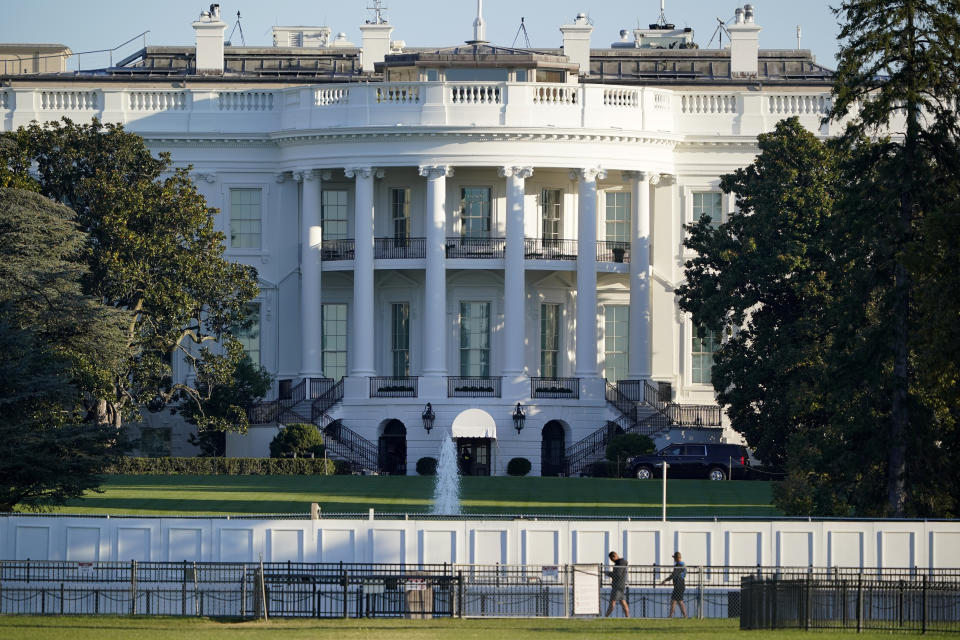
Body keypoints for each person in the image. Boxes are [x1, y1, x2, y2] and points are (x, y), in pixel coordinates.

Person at [661, 551, 688, 618]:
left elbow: (673, 575)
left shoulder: (679, 565)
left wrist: (665, 580)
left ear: (676, 558)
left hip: (678, 585)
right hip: (681, 585)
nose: (674, 560)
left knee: (674, 601)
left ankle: (671, 616)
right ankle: (685, 616)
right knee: (679, 601)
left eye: (674, 558)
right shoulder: (683, 565)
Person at [605, 551, 630, 617]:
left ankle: (605, 617)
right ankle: (628, 618)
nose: (612, 561)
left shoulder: (620, 563)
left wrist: (608, 573)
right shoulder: (621, 562)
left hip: (617, 586)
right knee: (623, 602)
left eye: (611, 559)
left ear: (614, 556)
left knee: (612, 603)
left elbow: (617, 574)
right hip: (621, 585)